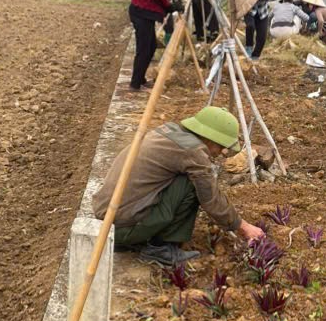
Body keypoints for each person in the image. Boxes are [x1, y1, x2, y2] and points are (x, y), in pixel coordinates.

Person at [92, 106, 266, 267]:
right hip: (120, 227)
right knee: (193, 185)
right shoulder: (193, 152)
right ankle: (161, 248)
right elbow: (211, 199)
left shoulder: (169, 131)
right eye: (221, 146)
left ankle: (137, 239)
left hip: (109, 218)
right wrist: (243, 226)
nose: (222, 152)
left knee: (186, 179)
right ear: (208, 137)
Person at [127, 0, 186, 92]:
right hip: (141, 12)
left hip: (145, 13)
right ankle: (135, 83)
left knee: (151, 46)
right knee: (144, 48)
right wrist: (171, 7)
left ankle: (140, 79)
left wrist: (170, 3)